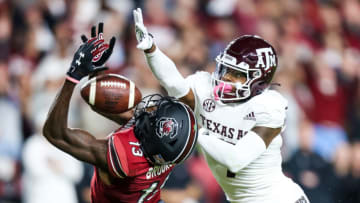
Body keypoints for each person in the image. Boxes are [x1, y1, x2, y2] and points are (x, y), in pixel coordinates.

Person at [133, 8, 309, 203]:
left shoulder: (268, 106)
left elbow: (235, 160)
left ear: (259, 81)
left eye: (237, 75)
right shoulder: (204, 87)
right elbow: (174, 83)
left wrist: (193, 131)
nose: (226, 78)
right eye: (226, 70)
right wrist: (151, 50)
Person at [43, 23, 198, 203]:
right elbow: (102, 103)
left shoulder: (125, 158)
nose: (151, 109)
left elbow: (55, 135)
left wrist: (73, 76)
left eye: (155, 114)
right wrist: (98, 69)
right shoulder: (166, 150)